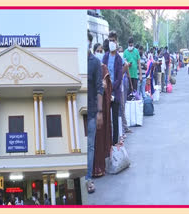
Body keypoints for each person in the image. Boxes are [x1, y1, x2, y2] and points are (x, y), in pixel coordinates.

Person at [87, 30, 103, 193]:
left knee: (90, 145)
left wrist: (100, 111)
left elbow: (99, 87)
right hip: (78, 111)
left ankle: (87, 179)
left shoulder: (94, 63)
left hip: (91, 110)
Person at [93, 40, 112, 177]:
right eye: (97, 51)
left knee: (99, 139)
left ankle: (100, 167)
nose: (99, 53)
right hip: (91, 107)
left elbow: (107, 87)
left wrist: (104, 86)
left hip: (100, 109)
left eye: (101, 51)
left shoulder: (103, 68)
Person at [102, 31, 123, 146]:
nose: (111, 43)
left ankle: (115, 143)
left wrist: (111, 88)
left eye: (113, 40)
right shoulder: (105, 57)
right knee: (106, 120)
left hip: (115, 93)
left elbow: (119, 79)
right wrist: (106, 89)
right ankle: (107, 143)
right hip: (106, 93)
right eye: (110, 40)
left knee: (115, 120)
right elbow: (102, 73)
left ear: (116, 41)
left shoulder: (119, 59)